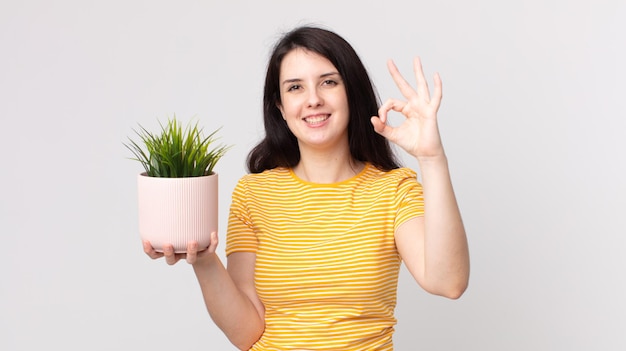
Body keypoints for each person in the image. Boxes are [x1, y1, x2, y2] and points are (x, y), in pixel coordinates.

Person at [143, 25, 470, 351]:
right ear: (281, 107)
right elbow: (247, 333)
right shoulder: (253, 194)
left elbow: (448, 282)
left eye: (328, 82)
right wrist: (203, 260)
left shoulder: (393, 190)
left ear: (351, 93)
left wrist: (431, 158)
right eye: (295, 87)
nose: (313, 100)